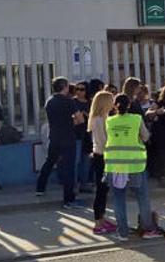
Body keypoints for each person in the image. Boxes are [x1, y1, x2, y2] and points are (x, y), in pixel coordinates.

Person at [105, 93, 159, 241]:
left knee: (118, 199)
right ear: (129, 105)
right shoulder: (136, 119)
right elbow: (146, 136)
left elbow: (106, 140)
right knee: (142, 197)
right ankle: (148, 230)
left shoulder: (109, 121)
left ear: (114, 105)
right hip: (135, 166)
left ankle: (123, 233)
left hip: (115, 166)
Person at [36, 77, 86, 208]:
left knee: (49, 162)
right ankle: (69, 199)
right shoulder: (68, 102)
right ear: (64, 87)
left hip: (54, 137)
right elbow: (80, 120)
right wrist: (72, 121)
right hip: (68, 138)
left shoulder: (50, 101)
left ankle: (40, 188)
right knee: (69, 169)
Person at [87, 90, 116, 235]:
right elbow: (105, 140)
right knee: (101, 190)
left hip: (99, 155)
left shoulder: (99, 118)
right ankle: (98, 222)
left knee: (103, 190)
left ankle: (102, 218)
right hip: (102, 156)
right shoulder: (101, 120)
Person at [73, 81, 94, 193]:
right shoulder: (73, 102)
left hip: (87, 134)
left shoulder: (90, 103)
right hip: (76, 134)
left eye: (82, 89)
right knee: (76, 160)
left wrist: (87, 116)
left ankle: (84, 183)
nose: (79, 92)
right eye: (77, 89)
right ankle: (74, 184)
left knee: (86, 160)